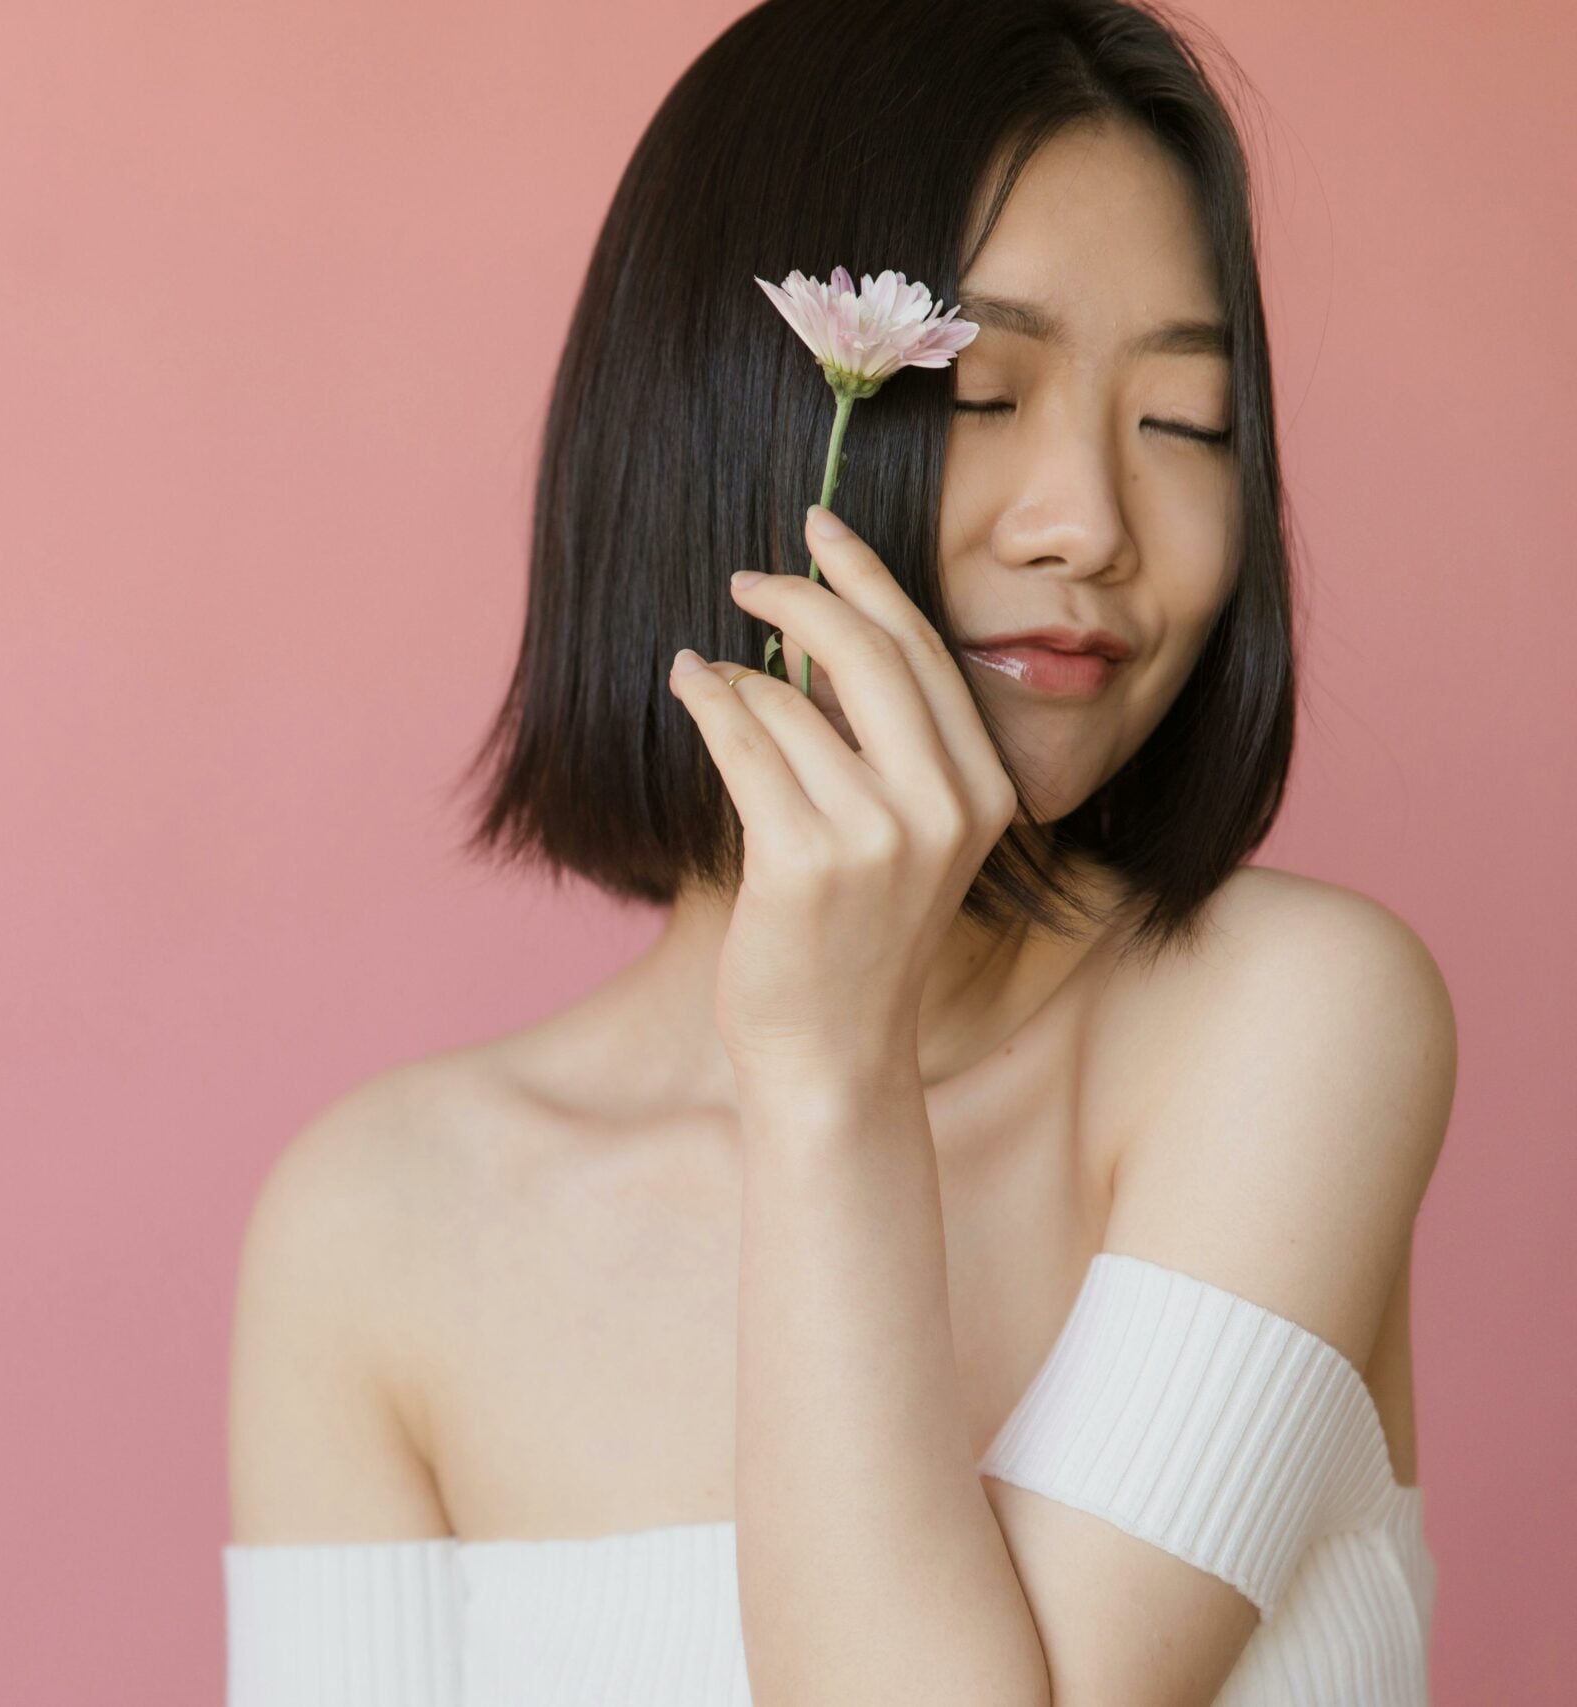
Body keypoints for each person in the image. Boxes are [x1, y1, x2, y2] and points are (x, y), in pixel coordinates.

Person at [220, 1, 1452, 1702]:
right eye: (989, 391)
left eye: (1189, 425)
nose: (1090, 523)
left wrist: (827, 1082)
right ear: (719, 418)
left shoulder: (1294, 1021)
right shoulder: (380, 1223)